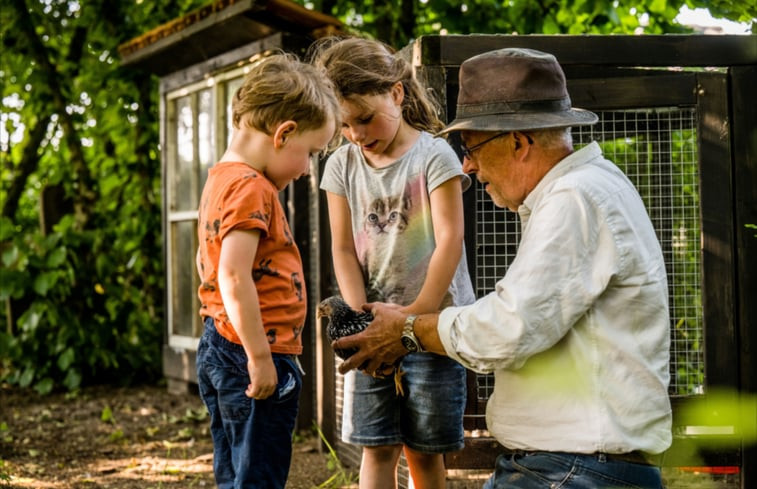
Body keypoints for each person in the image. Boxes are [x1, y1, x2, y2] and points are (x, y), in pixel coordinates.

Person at [334, 47, 673, 489]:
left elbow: (506, 329)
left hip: (576, 470)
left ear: (518, 142)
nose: (468, 167)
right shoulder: (584, 190)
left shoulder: (575, 199)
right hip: (568, 466)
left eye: (472, 148)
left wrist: (410, 328)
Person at [312, 37, 476, 489]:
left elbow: (450, 240)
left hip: (432, 328)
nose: (357, 134)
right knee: (376, 446)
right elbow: (342, 249)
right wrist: (359, 313)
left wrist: (413, 314)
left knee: (425, 453)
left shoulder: (434, 156)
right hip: (371, 329)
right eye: (344, 125)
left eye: (364, 119)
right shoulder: (342, 165)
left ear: (397, 94)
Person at [194, 53, 340, 489]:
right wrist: (260, 359)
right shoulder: (251, 187)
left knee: (235, 471)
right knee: (259, 475)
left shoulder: (221, 178)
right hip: (254, 352)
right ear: (284, 133)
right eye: (310, 153)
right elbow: (233, 276)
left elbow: (211, 266)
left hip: (222, 343)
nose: (306, 169)